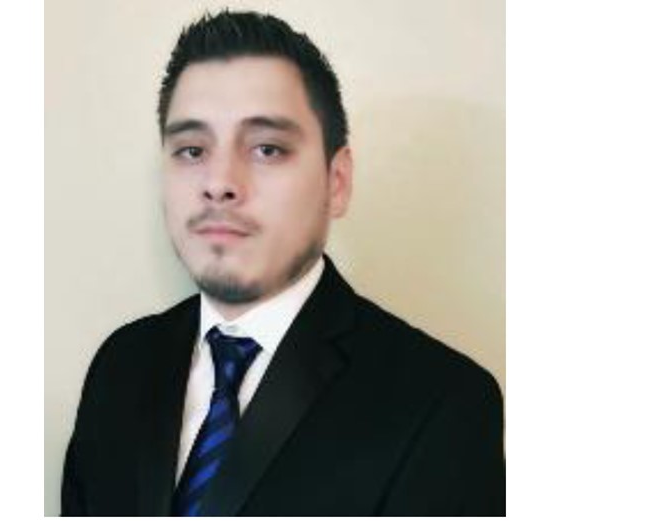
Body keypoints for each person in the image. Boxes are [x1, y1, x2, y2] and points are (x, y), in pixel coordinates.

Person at [61, 9, 505, 516]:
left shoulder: (443, 405)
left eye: (267, 148)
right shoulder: (120, 366)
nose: (219, 181)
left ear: (336, 183)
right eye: (190, 149)